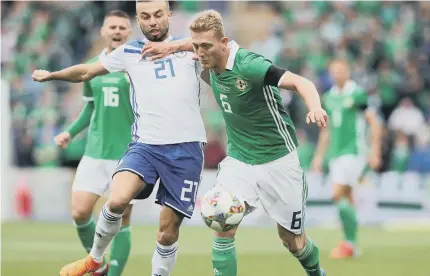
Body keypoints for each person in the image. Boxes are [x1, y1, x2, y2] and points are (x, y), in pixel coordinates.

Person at [144, 9, 328, 276]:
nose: (199, 52)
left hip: (278, 161)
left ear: (224, 42)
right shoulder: (204, 58)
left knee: (293, 241)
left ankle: (316, 272)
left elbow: (302, 82)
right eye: (195, 46)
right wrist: (172, 47)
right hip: (239, 161)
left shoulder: (249, 65)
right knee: (222, 223)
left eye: (206, 46)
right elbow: (194, 44)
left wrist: (315, 108)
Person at [33, 1, 206, 276]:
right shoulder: (129, 52)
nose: (153, 22)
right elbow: (86, 71)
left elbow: (220, 45)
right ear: (139, 20)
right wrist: (52, 75)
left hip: (186, 149)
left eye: (158, 15)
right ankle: (94, 259)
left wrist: (172, 47)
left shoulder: (192, 48)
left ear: (169, 15)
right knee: (117, 200)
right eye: (145, 17)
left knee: (167, 233)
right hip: (145, 146)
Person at [52, 10, 134, 276]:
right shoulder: (91, 67)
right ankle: (98, 267)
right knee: (79, 212)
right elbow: (90, 108)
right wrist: (70, 132)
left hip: (127, 154)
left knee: (122, 219)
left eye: (122, 27)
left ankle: (114, 274)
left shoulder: (136, 68)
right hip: (95, 152)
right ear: (103, 31)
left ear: (129, 32)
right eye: (113, 26)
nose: (117, 31)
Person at [311, 59, 382, 259]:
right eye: (334, 71)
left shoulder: (357, 94)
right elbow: (326, 131)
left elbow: (374, 123)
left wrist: (375, 151)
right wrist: (319, 156)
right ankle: (351, 244)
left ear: (348, 71)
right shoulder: (329, 97)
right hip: (336, 154)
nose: (337, 74)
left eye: (341, 70)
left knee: (338, 196)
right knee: (346, 200)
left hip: (354, 152)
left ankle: (349, 243)